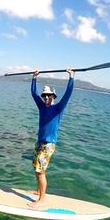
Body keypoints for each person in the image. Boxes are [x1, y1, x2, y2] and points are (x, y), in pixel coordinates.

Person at [29, 68, 75, 208]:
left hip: (49, 144)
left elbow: (68, 94)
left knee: (40, 171)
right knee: (36, 169)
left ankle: (42, 200)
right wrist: (34, 78)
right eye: (45, 96)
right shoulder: (42, 107)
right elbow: (33, 93)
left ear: (54, 96)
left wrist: (71, 77)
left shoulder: (58, 108)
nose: (47, 98)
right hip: (40, 142)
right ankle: (38, 191)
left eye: (49, 96)